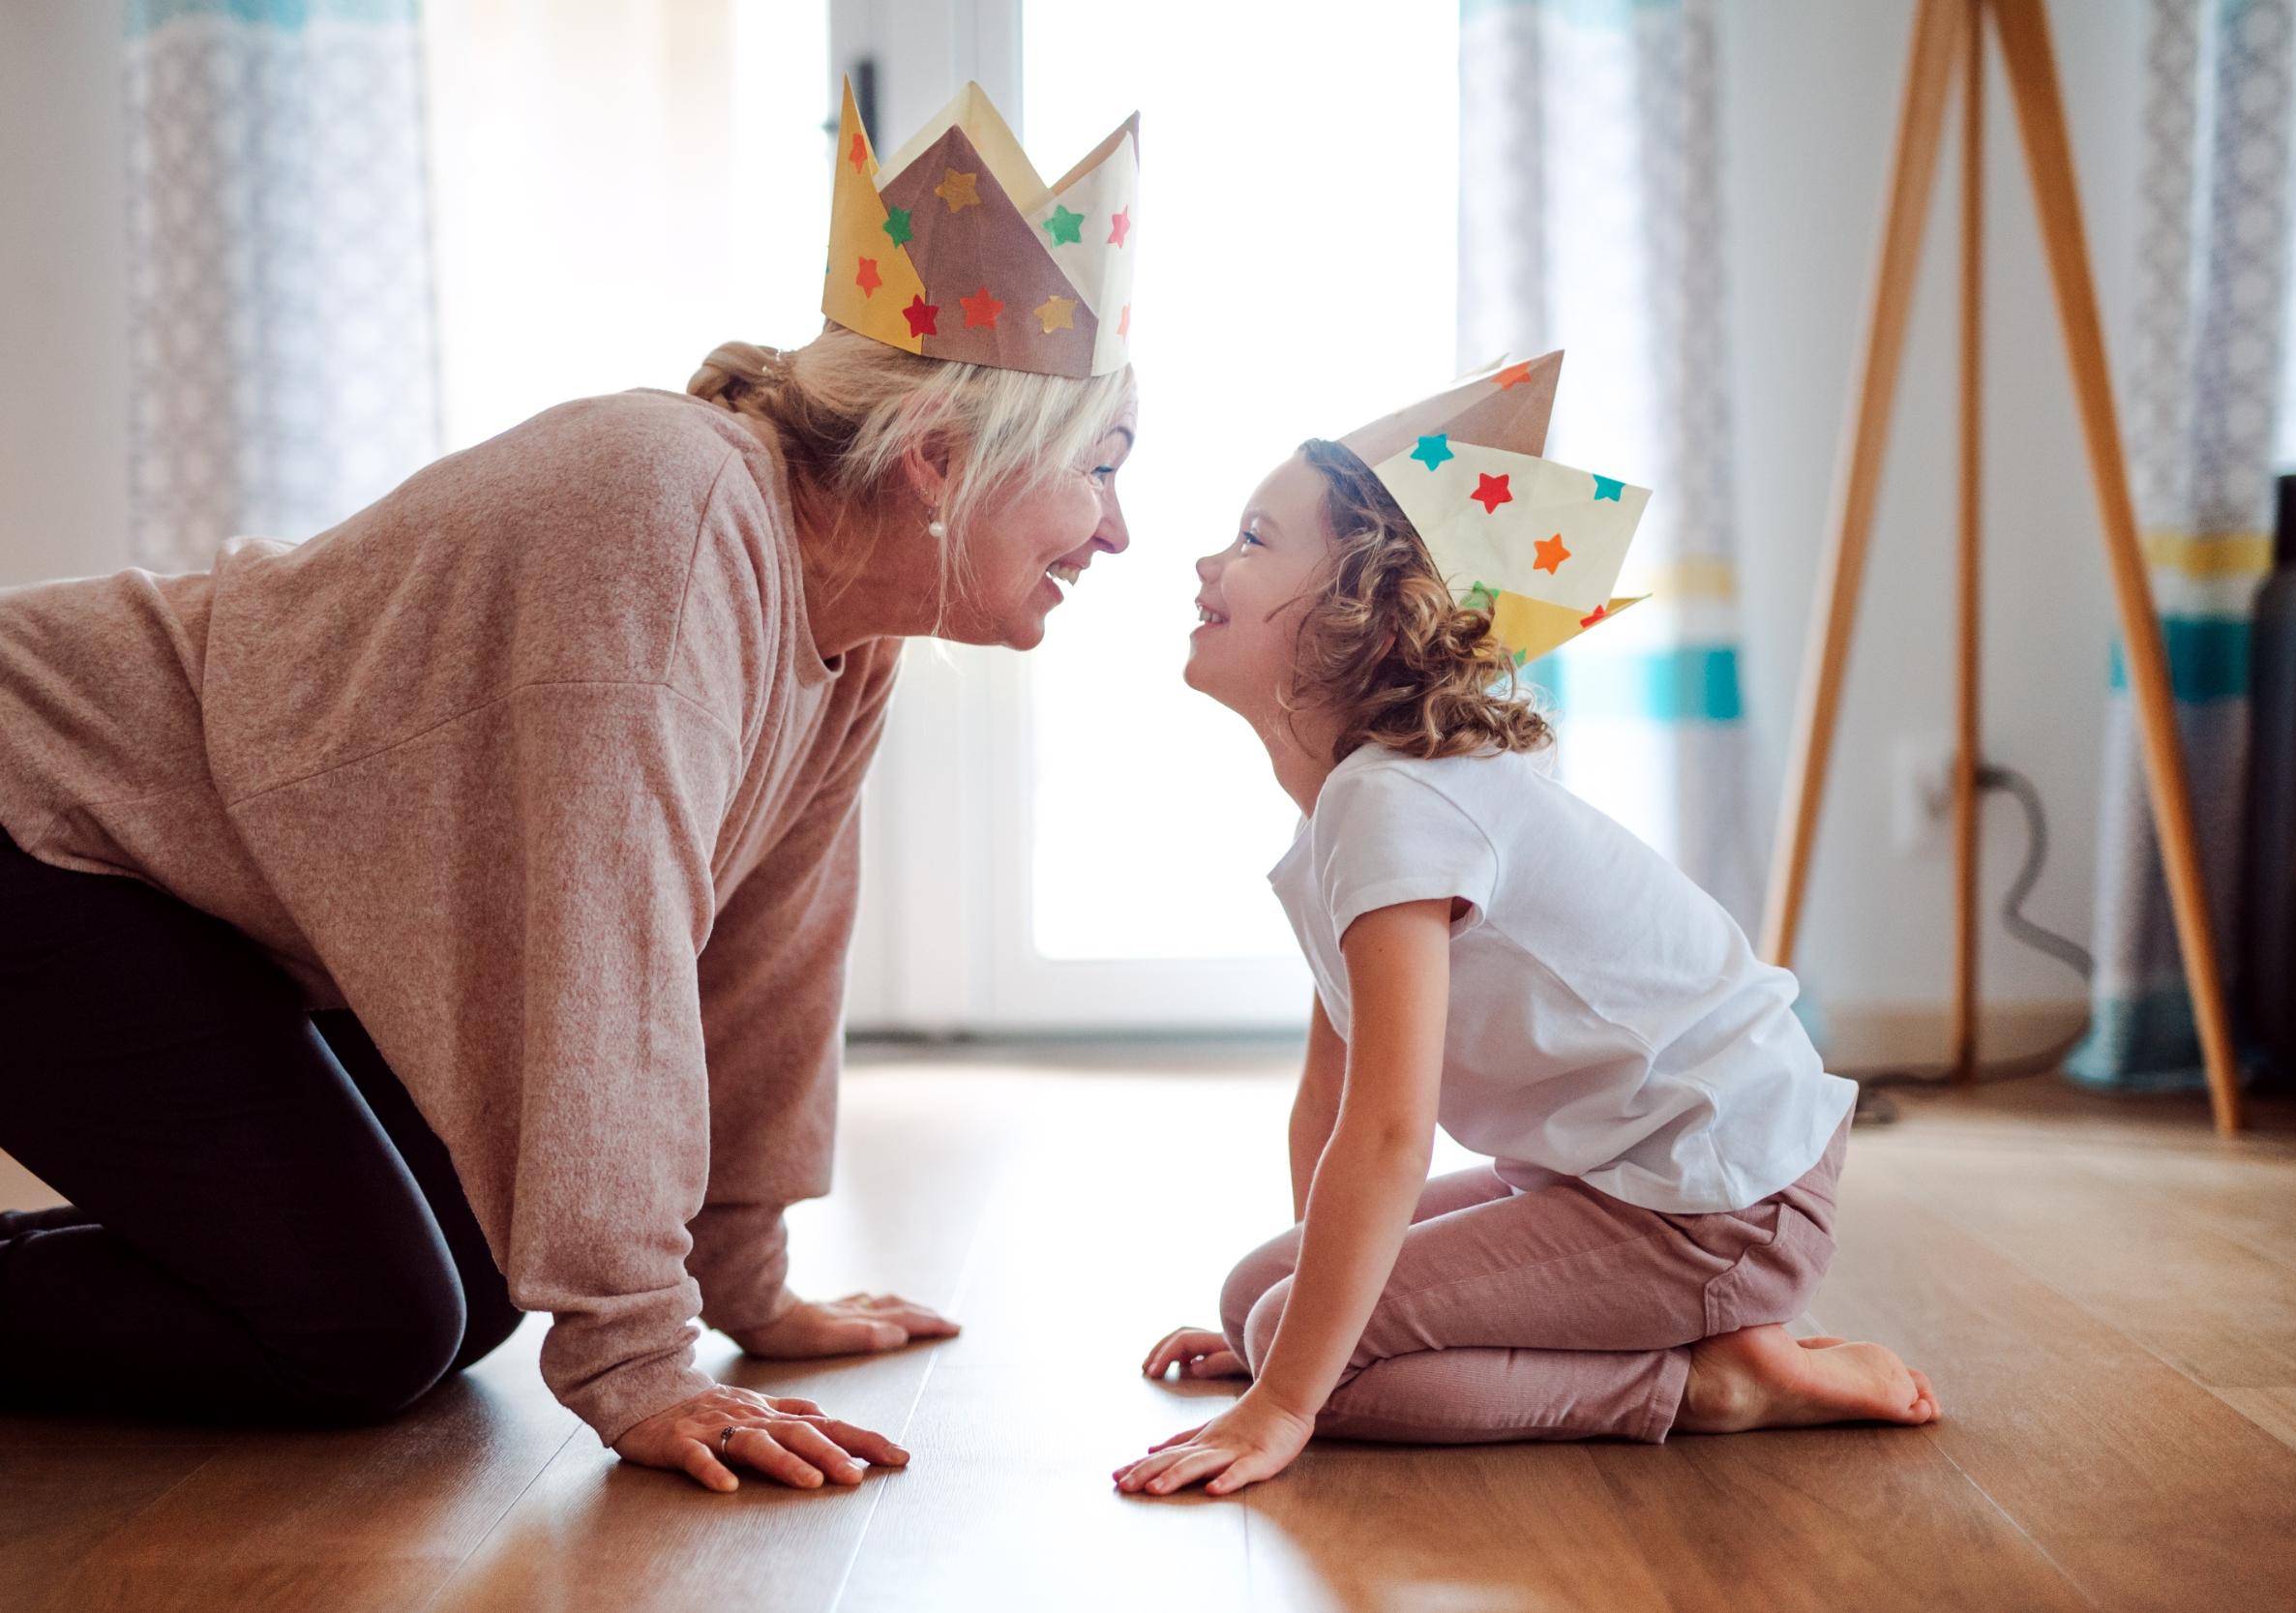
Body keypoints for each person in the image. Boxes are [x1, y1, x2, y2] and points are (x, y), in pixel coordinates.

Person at [0, 80, 1142, 1494]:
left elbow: (767, 949)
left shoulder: (849, 632)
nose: (1122, 533)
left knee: (481, 1269)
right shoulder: (668, 513)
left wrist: (740, 1277)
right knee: (370, 1325)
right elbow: (605, 945)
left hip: (203, 888)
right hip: (40, 812)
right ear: (937, 459)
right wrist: (634, 1359)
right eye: (1101, 472)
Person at [1114, 353, 1935, 1499]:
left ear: (1363, 614)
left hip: (1721, 1201)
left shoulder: (1393, 805)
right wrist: (1306, 1312)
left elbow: (1391, 1134)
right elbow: (1332, 1097)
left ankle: (1711, 1383)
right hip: (1635, 1176)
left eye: (1254, 538)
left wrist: (1290, 1385)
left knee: (1318, 1364)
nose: (1209, 559)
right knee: (1262, 1290)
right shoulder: (1351, 811)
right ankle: (1716, 1340)